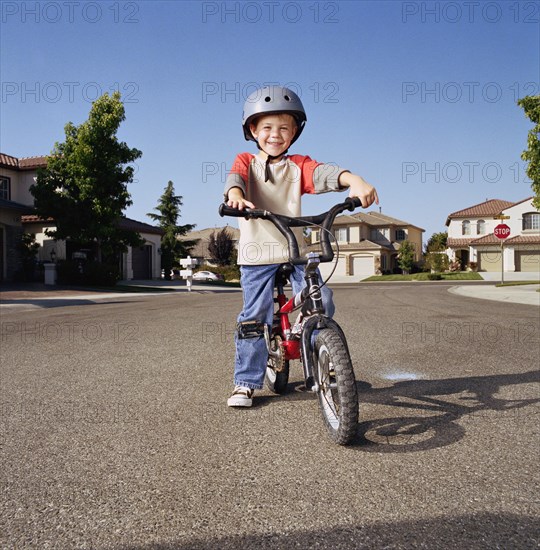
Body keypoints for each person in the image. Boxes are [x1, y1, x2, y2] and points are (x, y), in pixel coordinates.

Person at [224, 85, 378, 407]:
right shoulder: (246, 161)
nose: (275, 135)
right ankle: (245, 383)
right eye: (267, 127)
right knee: (255, 316)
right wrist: (235, 198)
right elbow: (235, 180)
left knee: (324, 298)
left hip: (295, 250)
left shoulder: (298, 165)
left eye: (284, 128)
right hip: (257, 253)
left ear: (295, 132)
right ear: (253, 129)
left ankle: (314, 346)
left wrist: (355, 181)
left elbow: (323, 174)